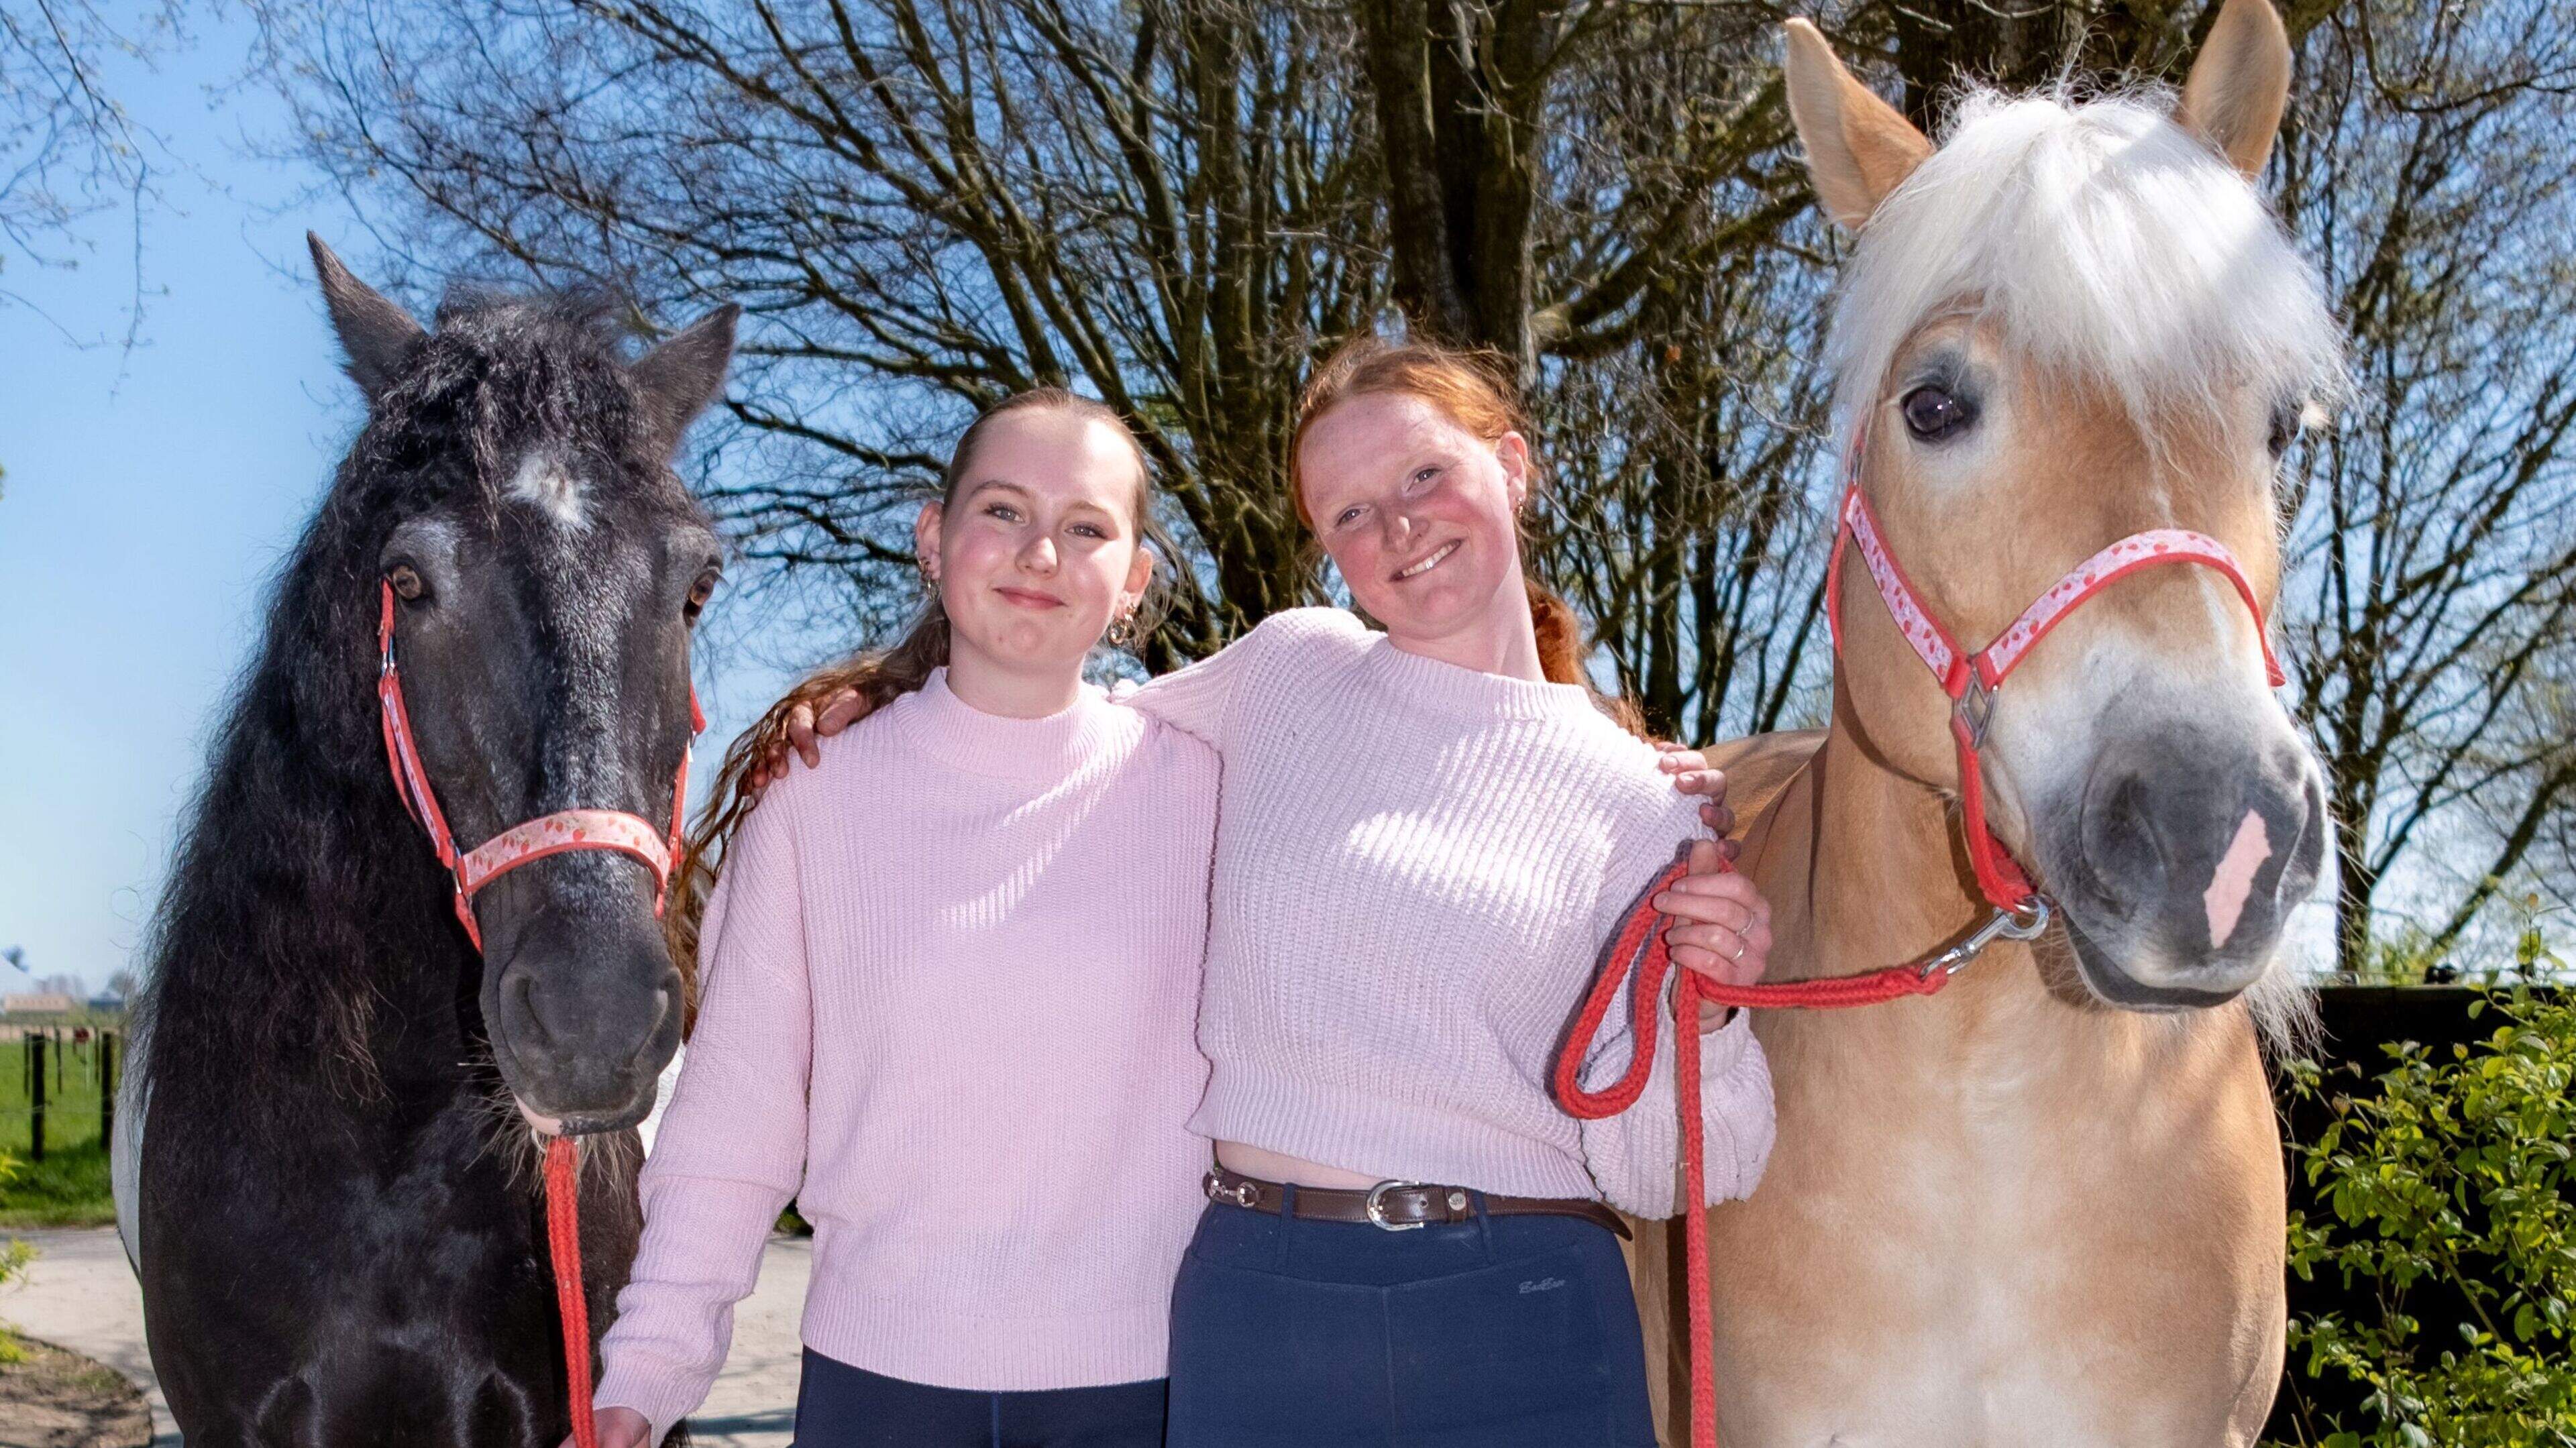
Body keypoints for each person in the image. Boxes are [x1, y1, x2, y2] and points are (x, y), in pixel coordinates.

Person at [765, 337, 1776, 1447]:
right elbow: (1069, 712)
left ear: (1514, 468)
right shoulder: (1289, 673)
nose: (1397, 527)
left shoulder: (1648, 805)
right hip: (1260, 1308)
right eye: (1348, 513)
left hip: (1523, 1310)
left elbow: (1680, 1170)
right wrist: (891, 696)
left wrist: (1714, 1009)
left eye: (1426, 476)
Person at [582, 388, 1216, 1448]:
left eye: (1088, 528)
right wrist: (647, 1371)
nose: (1041, 554)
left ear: (1134, 582)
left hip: (1150, 1391)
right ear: (934, 538)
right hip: (879, 1391)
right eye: (1004, 511)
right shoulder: (817, 799)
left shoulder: (1207, 786)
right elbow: (735, 1121)